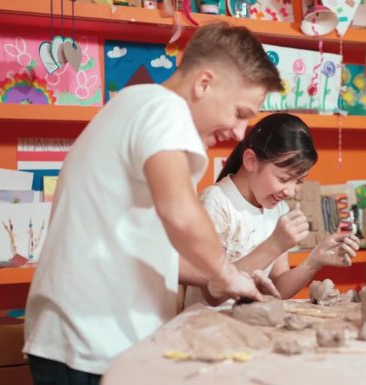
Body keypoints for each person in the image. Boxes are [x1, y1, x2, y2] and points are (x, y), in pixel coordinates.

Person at [23, 22, 283, 384]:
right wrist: (224, 273)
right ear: (204, 83)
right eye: (240, 113)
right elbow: (180, 213)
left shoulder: (135, 104)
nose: (239, 133)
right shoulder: (166, 110)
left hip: (78, 339)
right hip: (89, 341)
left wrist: (228, 278)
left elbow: (142, 247)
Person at [184, 113, 360, 306]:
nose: (291, 191)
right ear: (251, 160)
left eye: (299, 181)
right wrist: (275, 244)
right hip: (207, 327)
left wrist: (314, 260)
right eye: (283, 179)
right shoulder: (216, 202)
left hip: (250, 324)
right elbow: (214, 294)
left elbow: (278, 290)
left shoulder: (277, 208)